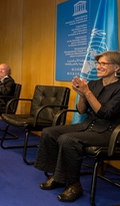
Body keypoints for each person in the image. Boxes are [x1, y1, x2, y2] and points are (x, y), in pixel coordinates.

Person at [34, 50, 120, 203]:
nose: (98, 67)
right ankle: (58, 176)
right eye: (98, 63)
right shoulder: (93, 84)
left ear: (117, 67)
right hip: (87, 125)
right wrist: (81, 94)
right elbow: (81, 110)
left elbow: (105, 113)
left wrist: (87, 92)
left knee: (68, 139)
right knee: (48, 132)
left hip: (108, 132)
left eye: (103, 63)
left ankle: (74, 185)